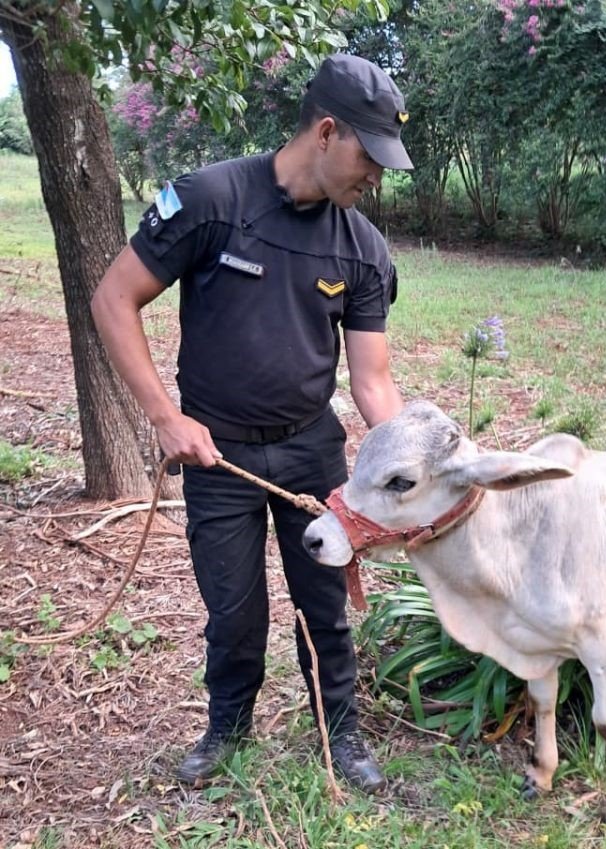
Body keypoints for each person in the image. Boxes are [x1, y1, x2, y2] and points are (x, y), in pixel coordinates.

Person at [91, 53, 412, 792]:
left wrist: (404, 465)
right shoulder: (212, 200)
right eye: (370, 157)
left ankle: (343, 735)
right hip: (216, 454)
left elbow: (372, 378)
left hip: (310, 451)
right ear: (327, 132)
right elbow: (114, 297)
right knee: (233, 612)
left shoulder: (362, 248)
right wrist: (165, 418)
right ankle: (227, 727)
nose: (377, 178)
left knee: (324, 608)